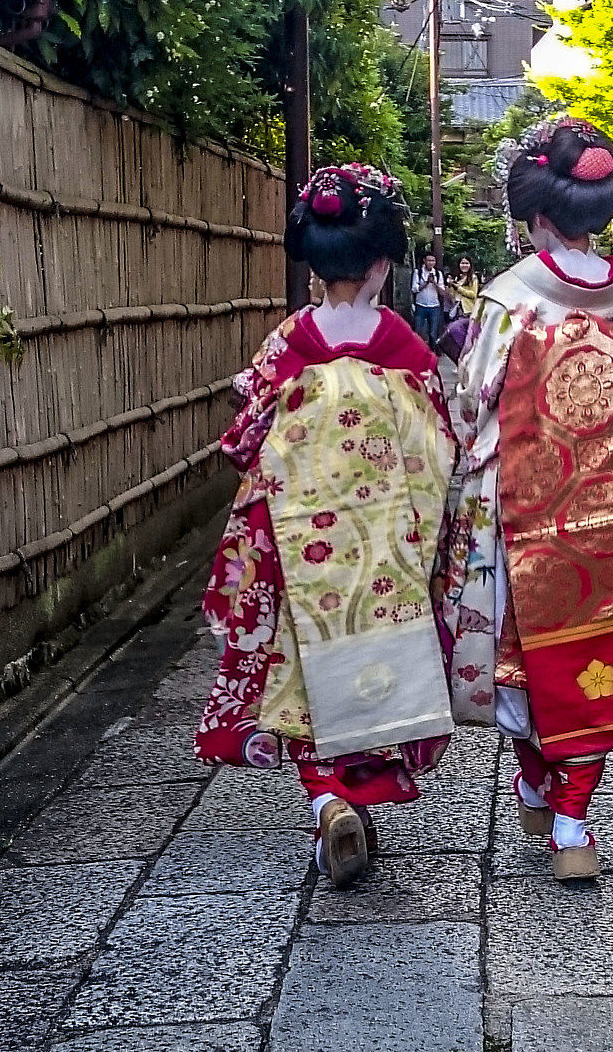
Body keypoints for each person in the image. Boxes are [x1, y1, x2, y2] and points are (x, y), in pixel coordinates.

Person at [438, 116, 613, 882]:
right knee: (604, 657)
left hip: (524, 513)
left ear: (533, 218)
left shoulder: (508, 299)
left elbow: (472, 400)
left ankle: (537, 780)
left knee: (526, 658)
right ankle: (570, 820)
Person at [195, 164, 459, 887]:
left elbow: (243, 437)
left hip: (298, 538)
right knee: (376, 664)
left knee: (304, 667)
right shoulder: (402, 344)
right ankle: (356, 791)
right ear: (381, 264)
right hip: (383, 553)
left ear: (315, 263)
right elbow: (438, 441)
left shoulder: (290, 341)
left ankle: (326, 803)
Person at [411, 253, 445, 348]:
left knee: (433, 334)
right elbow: (414, 289)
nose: (431, 263)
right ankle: (415, 350)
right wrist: (426, 283)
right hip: (421, 305)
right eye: (429, 260)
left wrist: (434, 283)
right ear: (424, 261)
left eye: (433, 261)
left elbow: (442, 292)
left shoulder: (438, 274)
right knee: (417, 331)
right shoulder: (418, 272)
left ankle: (432, 352)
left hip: (434, 306)